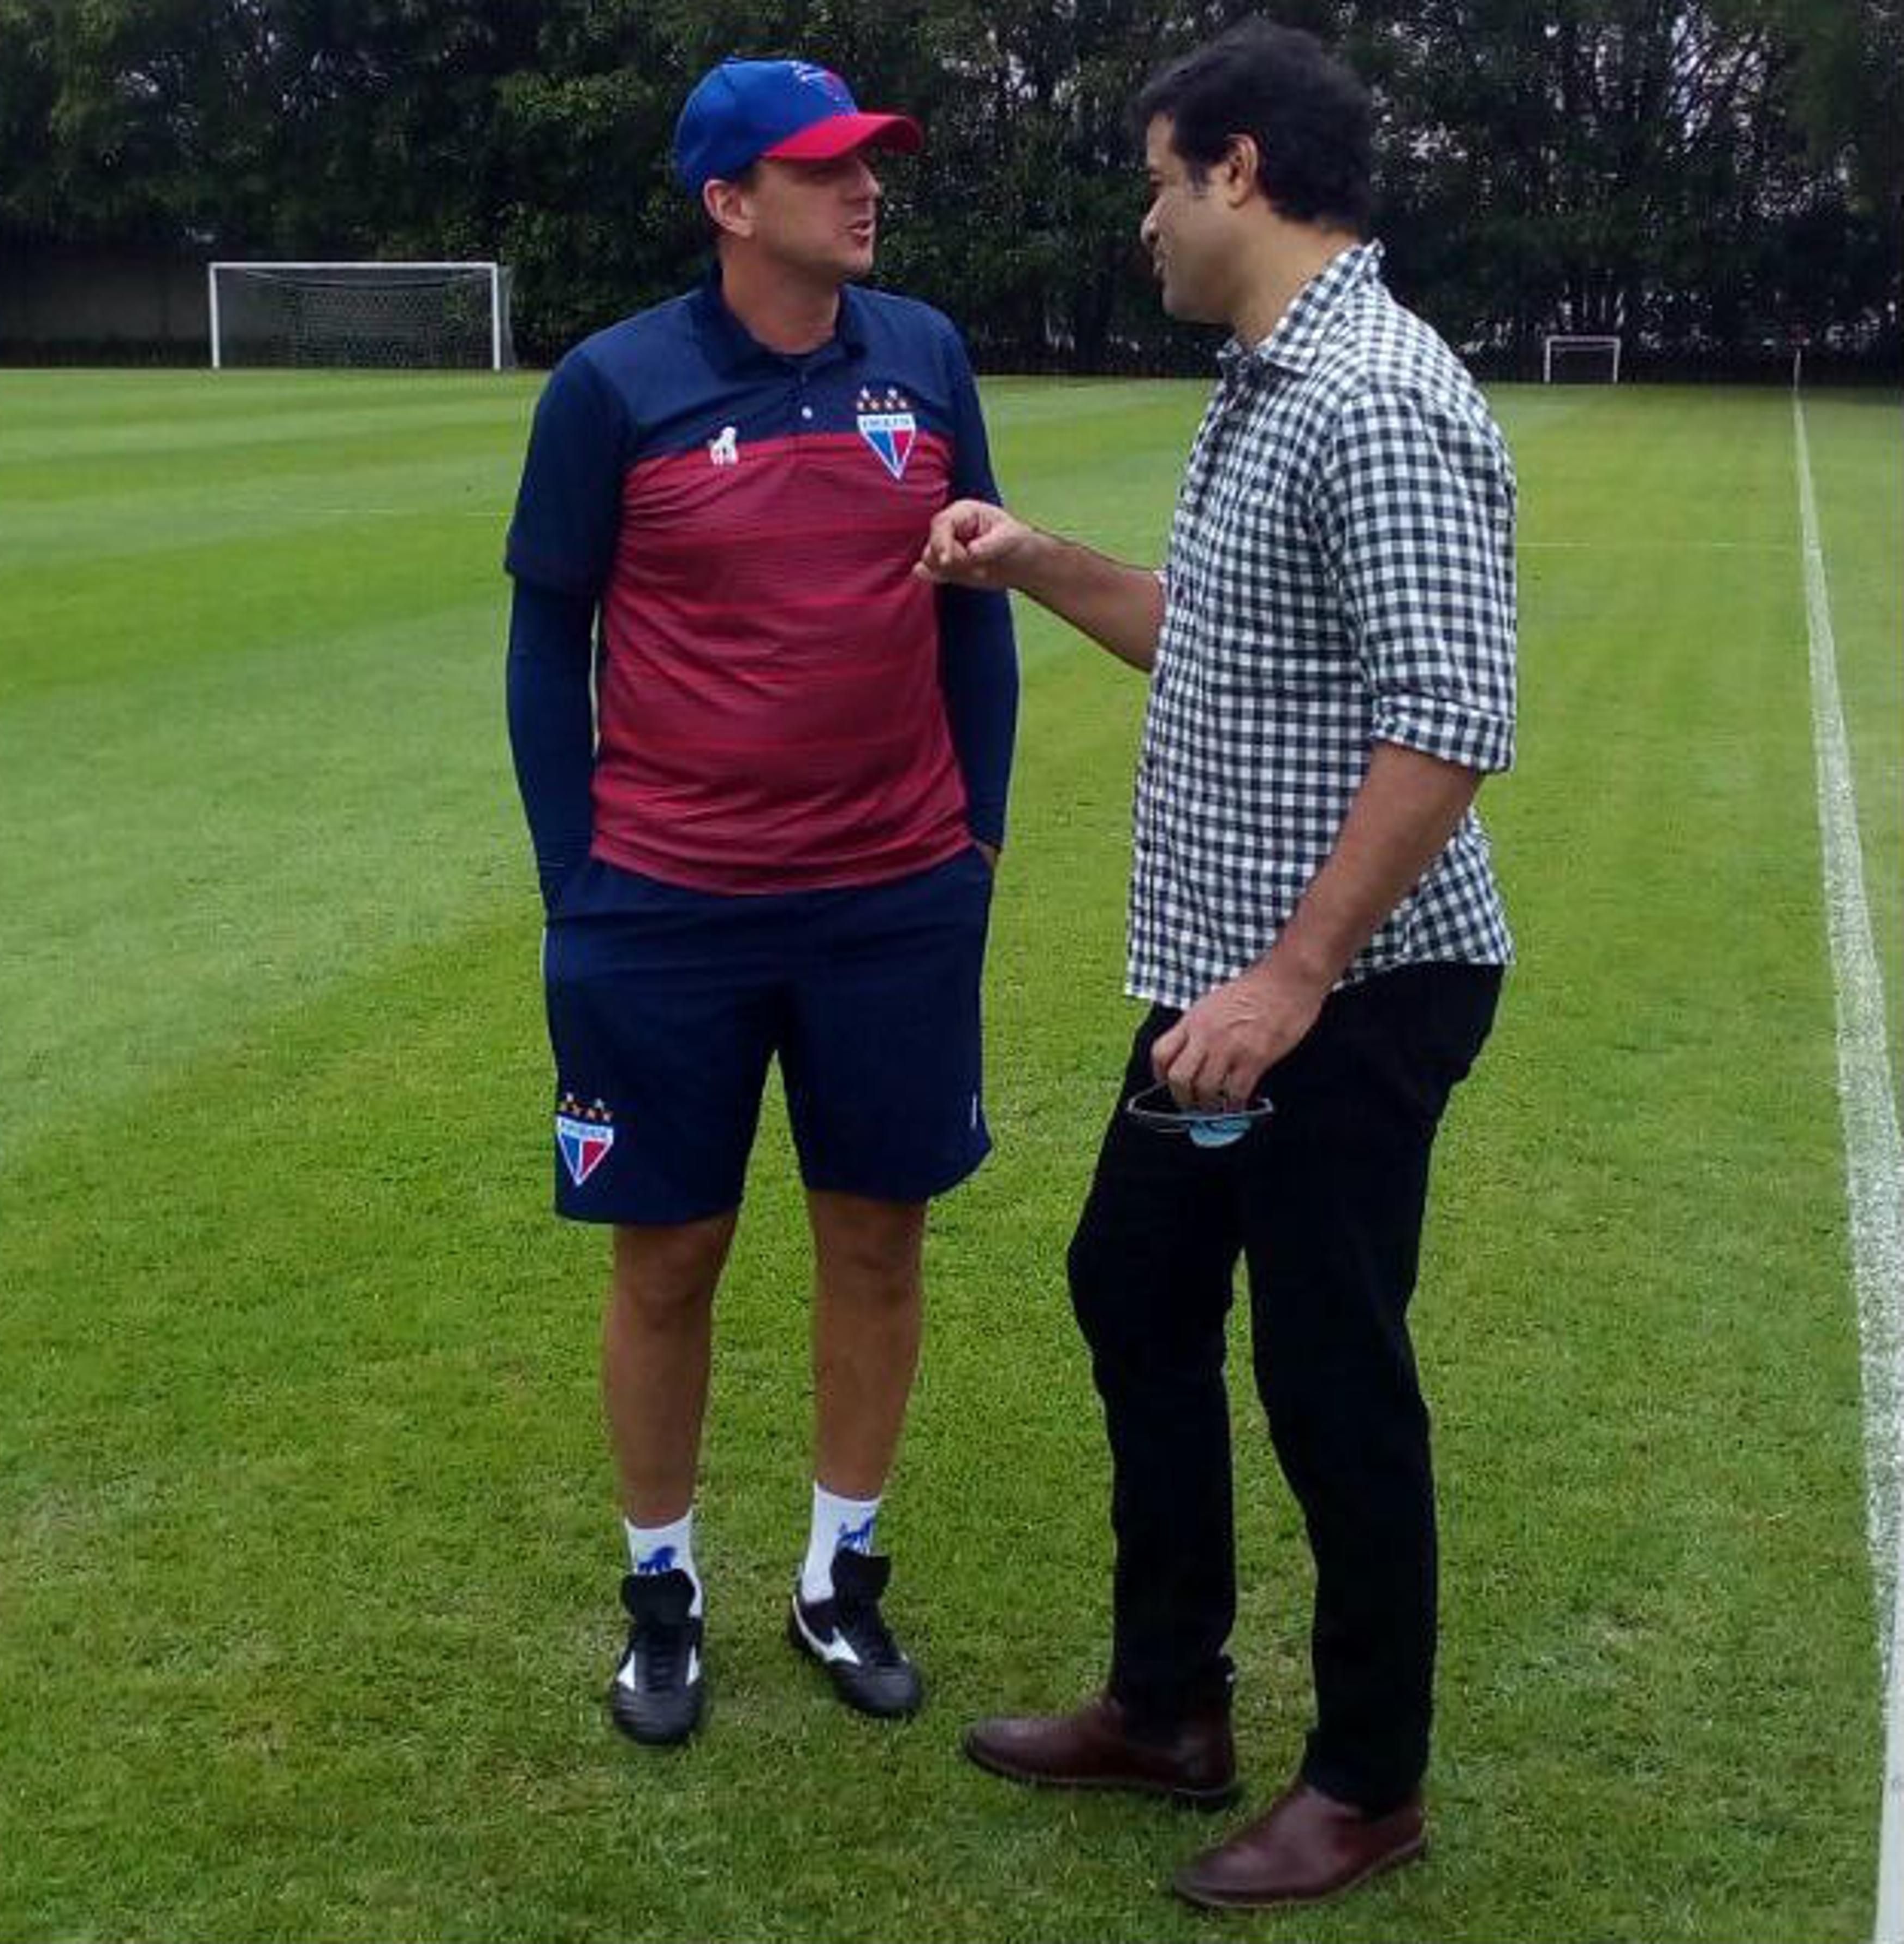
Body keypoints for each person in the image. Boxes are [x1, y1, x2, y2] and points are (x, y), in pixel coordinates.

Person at [917, 17, 1515, 1912]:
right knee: (1135, 1289)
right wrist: (1029, 561)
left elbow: (1447, 715)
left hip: (1343, 994)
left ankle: (1369, 1782)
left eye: (1156, 185)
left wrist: (1293, 982)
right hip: (1220, 990)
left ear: (1236, 168)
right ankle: (1169, 1709)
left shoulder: (1379, 397)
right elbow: (1220, 637)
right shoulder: (1265, 384)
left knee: (1333, 1369)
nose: (1145, 227)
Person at [504, 56, 1018, 1749]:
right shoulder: (611, 385)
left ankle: (837, 1576)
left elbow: (978, 609)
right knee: (673, 1255)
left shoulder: (927, 358)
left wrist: (979, 845)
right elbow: (544, 639)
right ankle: (664, 1596)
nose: (867, 191)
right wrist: (575, 878)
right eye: (826, 170)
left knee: (878, 1240)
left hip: (893, 899)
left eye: (873, 164)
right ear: (730, 203)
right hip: (663, 912)